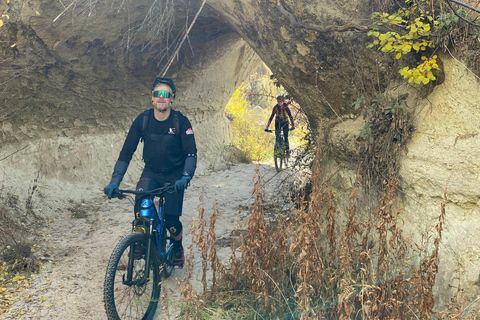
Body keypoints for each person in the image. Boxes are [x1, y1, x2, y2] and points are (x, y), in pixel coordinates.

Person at [103, 77, 197, 268]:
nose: (161, 98)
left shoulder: (181, 121)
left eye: (166, 94)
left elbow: (191, 154)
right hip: (151, 173)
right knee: (141, 209)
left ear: (172, 98)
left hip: (175, 176)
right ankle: (141, 240)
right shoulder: (143, 120)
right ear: (152, 98)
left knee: (171, 220)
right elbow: (126, 152)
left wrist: (185, 177)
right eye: (157, 94)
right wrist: (115, 181)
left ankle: (177, 246)